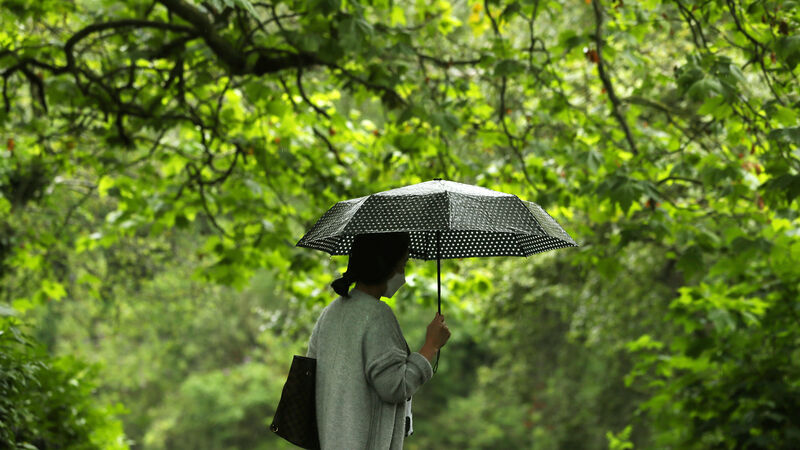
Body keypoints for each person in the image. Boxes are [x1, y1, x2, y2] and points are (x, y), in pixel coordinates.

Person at [306, 232, 451, 449]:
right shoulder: (376, 316)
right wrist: (431, 346)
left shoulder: (331, 312)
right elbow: (395, 387)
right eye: (403, 264)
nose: (403, 274)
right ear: (386, 265)